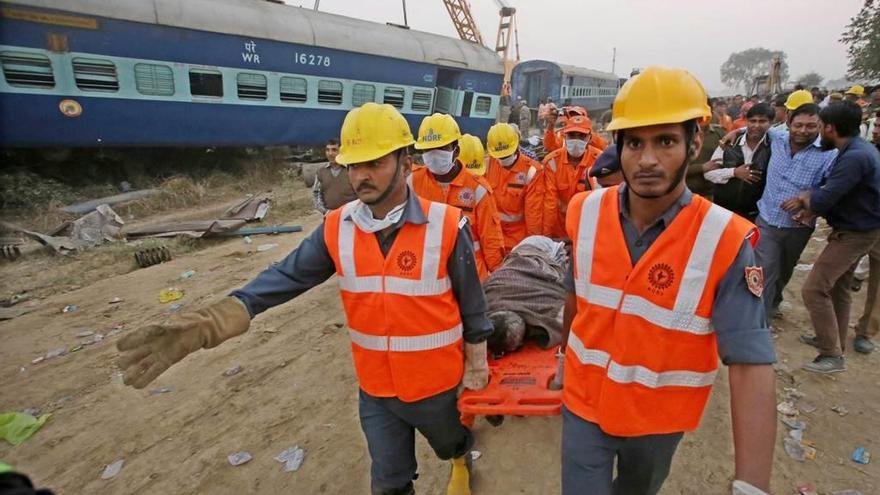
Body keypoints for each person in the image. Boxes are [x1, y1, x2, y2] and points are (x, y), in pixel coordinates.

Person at [115, 102, 492, 495]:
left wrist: (477, 364)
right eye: (354, 165)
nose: (361, 175)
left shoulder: (446, 225)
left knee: (452, 441)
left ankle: (458, 460)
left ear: (406, 162)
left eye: (374, 163)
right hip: (377, 390)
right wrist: (215, 320)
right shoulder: (338, 226)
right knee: (388, 481)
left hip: (436, 384)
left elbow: (473, 303)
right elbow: (286, 275)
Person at [559, 66, 776, 495]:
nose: (648, 159)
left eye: (666, 141)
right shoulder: (585, 212)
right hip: (584, 404)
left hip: (657, 421)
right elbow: (574, 296)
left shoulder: (724, 241)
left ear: (694, 143)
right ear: (618, 148)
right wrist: (563, 361)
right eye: (635, 143)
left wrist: (752, 485)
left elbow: (751, 364)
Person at [780, 101, 880, 372]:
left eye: (819, 126)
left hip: (855, 234)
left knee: (814, 288)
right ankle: (832, 341)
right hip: (857, 229)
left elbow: (825, 197)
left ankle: (831, 355)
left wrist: (805, 197)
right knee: (839, 287)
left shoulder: (855, 157)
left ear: (829, 128)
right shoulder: (858, 150)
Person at [723, 102, 838, 319]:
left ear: (819, 126)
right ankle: (759, 318)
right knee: (764, 271)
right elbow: (755, 127)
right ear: (788, 123)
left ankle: (775, 301)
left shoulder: (829, 154)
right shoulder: (778, 138)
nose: (803, 131)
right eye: (798, 125)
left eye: (810, 126)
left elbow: (831, 187)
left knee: (785, 269)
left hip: (798, 226)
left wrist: (806, 200)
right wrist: (735, 131)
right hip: (766, 220)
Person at [411, 113, 505, 281]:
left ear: (456, 150)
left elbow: (491, 244)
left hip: (471, 279)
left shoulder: (478, 189)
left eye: (441, 148)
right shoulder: (411, 182)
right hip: (428, 278)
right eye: (428, 149)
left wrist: (498, 281)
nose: (434, 154)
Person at [704, 103, 773, 220]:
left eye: (762, 121)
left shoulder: (774, 146)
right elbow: (709, 174)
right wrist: (734, 172)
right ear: (747, 121)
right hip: (723, 211)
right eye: (752, 121)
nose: (756, 125)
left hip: (754, 213)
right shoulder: (729, 143)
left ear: (770, 123)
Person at [485, 122, 547, 250]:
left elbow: (533, 215)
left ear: (517, 145)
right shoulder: (487, 165)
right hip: (492, 236)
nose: (503, 159)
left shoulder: (531, 170)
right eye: (499, 156)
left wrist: (531, 247)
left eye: (506, 155)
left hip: (518, 240)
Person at [542, 114, 603, 238]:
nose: (576, 140)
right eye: (572, 135)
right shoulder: (552, 162)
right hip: (559, 229)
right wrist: (547, 236)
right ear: (564, 136)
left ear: (590, 138)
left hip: (587, 230)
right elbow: (550, 203)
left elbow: (603, 203)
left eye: (581, 136)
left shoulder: (599, 161)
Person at [312, 139, 358, 213]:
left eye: (334, 150)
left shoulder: (351, 170)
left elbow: (360, 193)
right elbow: (316, 193)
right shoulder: (321, 172)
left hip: (351, 215)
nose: (330, 153)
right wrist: (325, 211)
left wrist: (354, 211)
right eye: (327, 150)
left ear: (341, 151)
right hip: (329, 215)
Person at [689, 107, 726, 198]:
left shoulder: (719, 133)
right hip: (687, 192)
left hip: (712, 192)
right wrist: (701, 168)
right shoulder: (680, 136)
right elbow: (671, 171)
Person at [543, 106, 608, 153]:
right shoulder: (562, 134)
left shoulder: (591, 136)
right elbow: (550, 146)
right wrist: (550, 126)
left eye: (578, 116)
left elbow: (604, 148)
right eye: (572, 116)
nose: (575, 119)